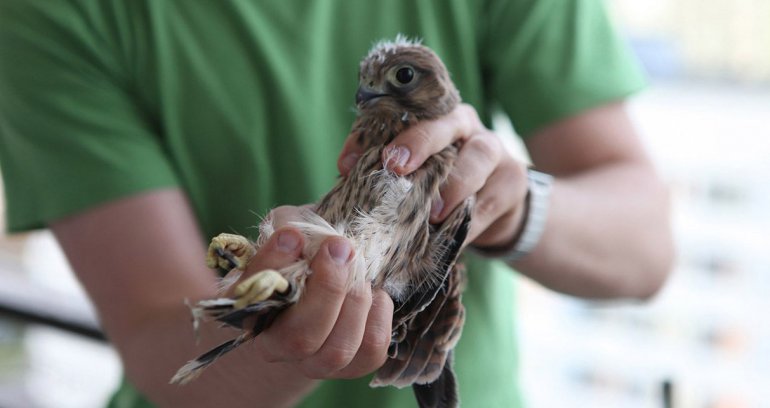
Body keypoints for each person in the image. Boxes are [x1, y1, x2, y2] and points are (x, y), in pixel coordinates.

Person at [0, 1, 674, 407]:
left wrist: (511, 203)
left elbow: (646, 247)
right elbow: (158, 331)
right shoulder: (52, 14)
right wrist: (276, 333)